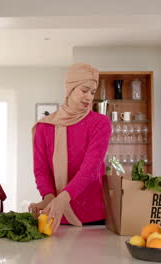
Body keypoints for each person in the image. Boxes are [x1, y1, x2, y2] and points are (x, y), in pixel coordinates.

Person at [28, 63, 112, 232]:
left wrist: (62, 198)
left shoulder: (100, 123)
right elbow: (41, 170)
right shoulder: (44, 127)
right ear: (70, 89)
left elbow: (90, 170)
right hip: (55, 216)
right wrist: (49, 198)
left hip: (94, 218)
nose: (89, 97)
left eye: (93, 92)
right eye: (84, 90)